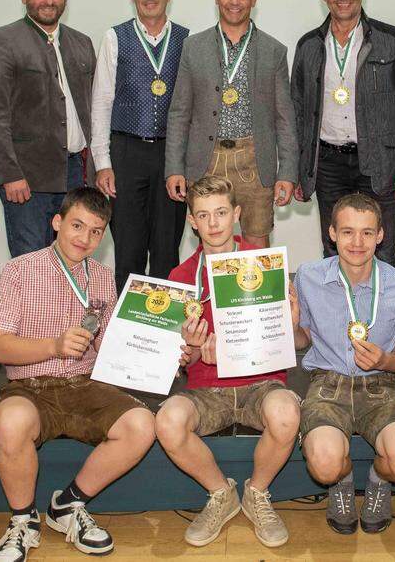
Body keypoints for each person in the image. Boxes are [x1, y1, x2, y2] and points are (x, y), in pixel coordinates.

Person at [0, 187, 156, 561]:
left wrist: (157, 353)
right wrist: (53, 345)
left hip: (85, 384)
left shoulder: (102, 276)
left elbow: (109, 344)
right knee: (10, 421)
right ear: (57, 222)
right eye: (77, 226)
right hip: (30, 385)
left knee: (141, 424)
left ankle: (68, 505)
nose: (85, 238)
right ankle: (23, 520)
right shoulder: (20, 269)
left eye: (96, 231)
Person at [156, 175, 302, 548]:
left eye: (221, 212)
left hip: (261, 384)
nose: (214, 223)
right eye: (203, 215)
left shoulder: (264, 265)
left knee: (286, 412)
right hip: (207, 390)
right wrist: (188, 349)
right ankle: (222, 494)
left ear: (236, 213)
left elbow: (292, 340)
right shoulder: (180, 277)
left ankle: (257, 493)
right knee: (168, 421)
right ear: (191, 220)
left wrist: (289, 324)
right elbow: (180, 362)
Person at [293, 193, 395, 535]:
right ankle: (341, 479)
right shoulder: (307, 276)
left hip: (380, 385)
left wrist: (386, 358)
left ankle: (379, 480)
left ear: (381, 235)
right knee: (324, 464)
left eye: (367, 232)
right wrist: (289, 325)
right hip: (327, 383)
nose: (357, 242)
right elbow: (301, 339)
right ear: (332, 232)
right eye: (348, 231)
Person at [291, 0, 395, 267]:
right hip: (328, 165)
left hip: (380, 164)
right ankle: (339, 317)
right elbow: (296, 111)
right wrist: (297, 170)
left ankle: (385, 317)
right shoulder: (309, 45)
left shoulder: (391, 40)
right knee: (333, 252)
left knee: (382, 251)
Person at [165, 0, 297, 249]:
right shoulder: (193, 47)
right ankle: (209, 295)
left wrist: (287, 171)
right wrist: (174, 166)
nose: (234, 2)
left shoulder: (274, 51)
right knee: (210, 243)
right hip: (206, 160)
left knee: (257, 243)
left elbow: (284, 118)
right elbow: (179, 113)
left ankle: (255, 296)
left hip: (255, 161)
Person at [0, 0, 97, 258]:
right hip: (27, 179)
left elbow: (93, 110)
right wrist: (9, 174)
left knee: (72, 260)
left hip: (75, 175)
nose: (48, 0)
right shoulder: (3, 40)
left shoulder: (82, 43)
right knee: (31, 261)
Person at [90, 0, 189, 291]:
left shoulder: (186, 40)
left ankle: (165, 332)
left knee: (166, 250)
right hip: (126, 152)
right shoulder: (114, 37)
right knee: (129, 250)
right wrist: (103, 163)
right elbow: (102, 103)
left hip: (170, 155)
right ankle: (125, 336)